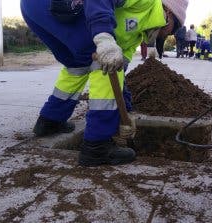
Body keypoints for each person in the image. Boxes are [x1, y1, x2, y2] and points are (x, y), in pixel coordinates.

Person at [20, 0, 188, 167]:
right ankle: (97, 146)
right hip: (51, 4)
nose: (166, 35)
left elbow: (119, 75)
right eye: (172, 29)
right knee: (103, 66)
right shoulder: (147, 2)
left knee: (77, 66)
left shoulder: (136, 36)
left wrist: (127, 113)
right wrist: (104, 37)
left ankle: (50, 121)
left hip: (36, 9)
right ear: (170, 13)